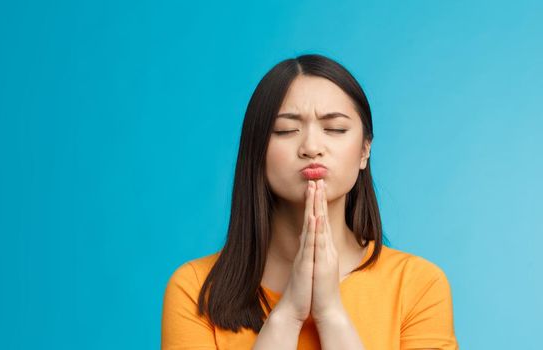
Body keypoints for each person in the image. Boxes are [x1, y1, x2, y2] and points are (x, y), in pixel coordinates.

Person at [161, 54, 458, 349]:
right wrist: (288, 313)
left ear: (364, 150)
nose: (311, 147)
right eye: (286, 130)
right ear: (257, 151)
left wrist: (331, 314)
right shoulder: (196, 289)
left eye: (335, 129)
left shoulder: (419, 285)